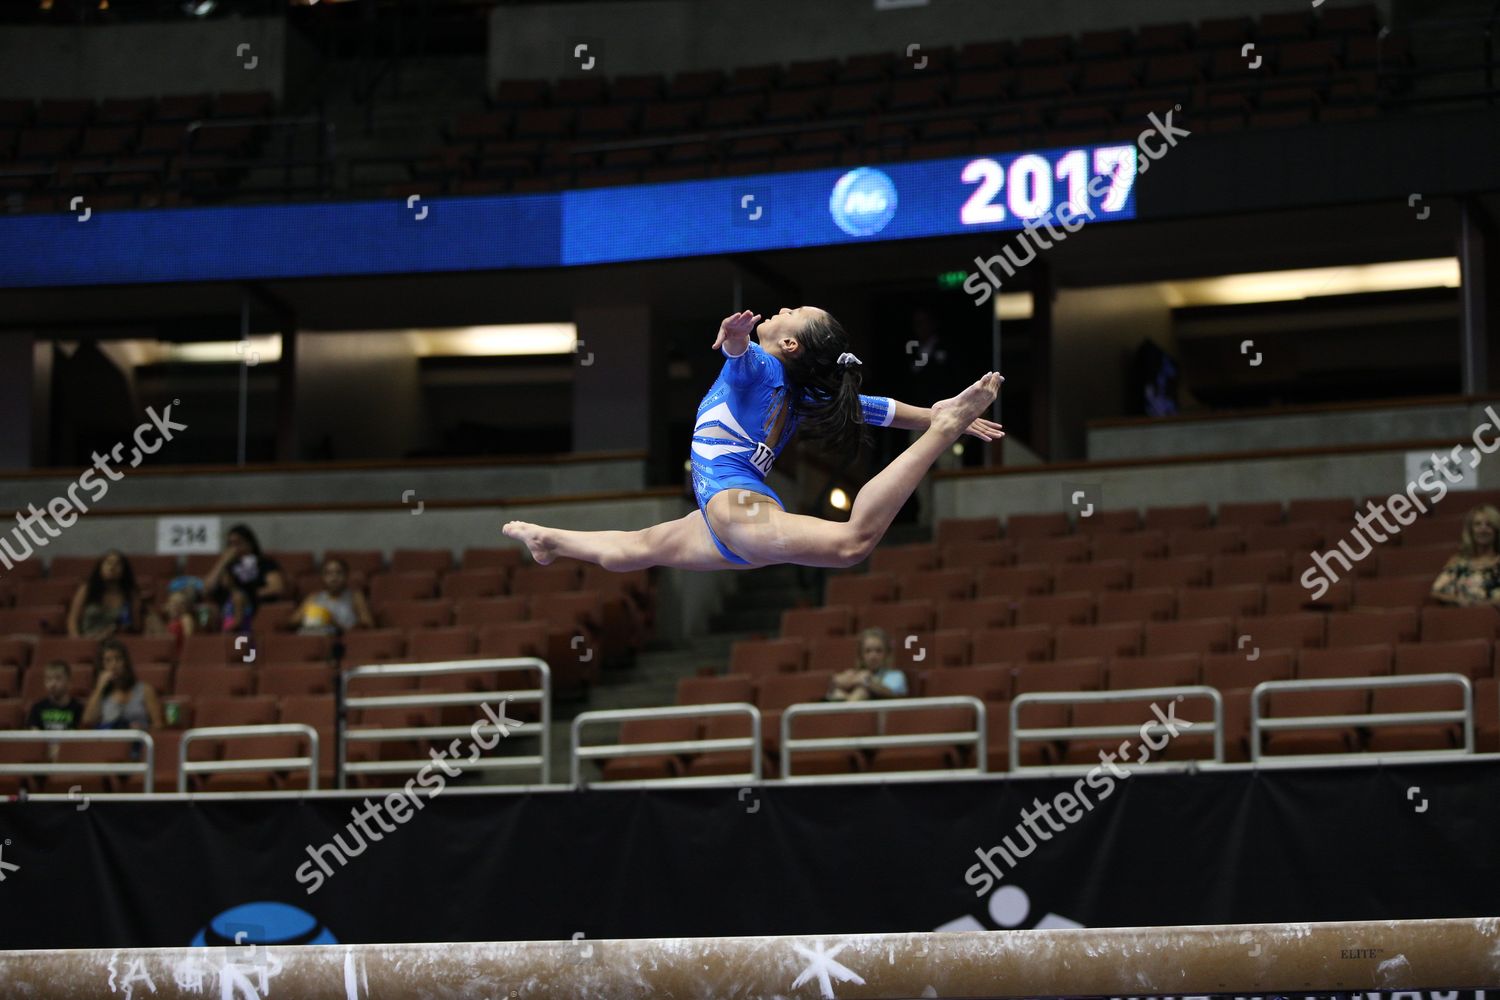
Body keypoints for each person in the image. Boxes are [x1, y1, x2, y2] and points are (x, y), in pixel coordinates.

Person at [503, 307, 1002, 571]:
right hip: (730, 523)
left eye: (795, 310)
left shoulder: (761, 368)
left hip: (736, 508)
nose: (784, 306)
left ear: (789, 344)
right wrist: (932, 410)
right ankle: (551, 541)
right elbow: (876, 410)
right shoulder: (798, 389)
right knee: (637, 548)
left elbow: (741, 355)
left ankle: (940, 437)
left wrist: (939, 421)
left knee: (853, 543)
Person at [205, 524, 287, 629]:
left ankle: (236, 625)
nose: (234, 549)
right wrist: (222, 562)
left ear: (250, 544)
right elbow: (207, 588)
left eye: (238, 543)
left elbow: (277, 588)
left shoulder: (264, 563)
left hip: (251, 603)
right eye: (230, 544)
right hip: (226, 605)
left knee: (238, 597)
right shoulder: (228, 566)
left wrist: (250, 595)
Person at [81, 639, 164, 731]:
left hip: (139, 742)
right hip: (111, 743)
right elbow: (88, 720)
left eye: (118, 658)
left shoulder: (145, 690)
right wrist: (99, 688)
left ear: (125, 662)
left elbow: (158, 726)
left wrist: (143, 729)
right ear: (102, 665)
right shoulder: (101, 694)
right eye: (108, 660)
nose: (114, 664)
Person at [1430, 505, 1500, 606]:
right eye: (1477, 524)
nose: (1483, 529)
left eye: (1489, 525)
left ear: (1496, 530)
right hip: (1465, 617)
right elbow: (1436, 591)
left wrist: (1486, 604)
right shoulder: (1458, 562)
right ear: (1471, 530)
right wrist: (1457, 600)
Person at [66, 550, 142, 639]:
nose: (112, 567)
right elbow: (72, 620)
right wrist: (78, 642)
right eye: (108, 563)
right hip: (88, 640)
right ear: (100, 567)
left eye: (117, 564)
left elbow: (136, 626)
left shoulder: (129, 593)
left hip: (118, 643)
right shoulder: (88, 589)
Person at [288, 557, 374, 635]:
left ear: (346, 576)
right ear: (323, 577)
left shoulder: (355, 597)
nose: (334, 577)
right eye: (329, 573)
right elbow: (292, 622)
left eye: (339, 572)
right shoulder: (313, 597)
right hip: (315, 636)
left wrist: (336, 624)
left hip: (345, 640)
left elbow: (368, 625)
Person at [828, 627, 910, 701]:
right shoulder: (855, 674)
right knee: (837, 693)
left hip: (882, 714)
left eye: (878, 651)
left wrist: (867, 681)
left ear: (887, 654)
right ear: (861, 655)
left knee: (861, 692)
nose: (873, 656)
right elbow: (834, 682)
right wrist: (847, 681)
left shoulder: (896, 675)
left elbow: (893, 694)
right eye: (868, 651)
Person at [26, 661, 85, 731]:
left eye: (58, 678)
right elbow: (34, 736)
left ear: (69, 682)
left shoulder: (78, 709)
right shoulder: (37, 708)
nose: (52, 684)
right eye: (49, 679)